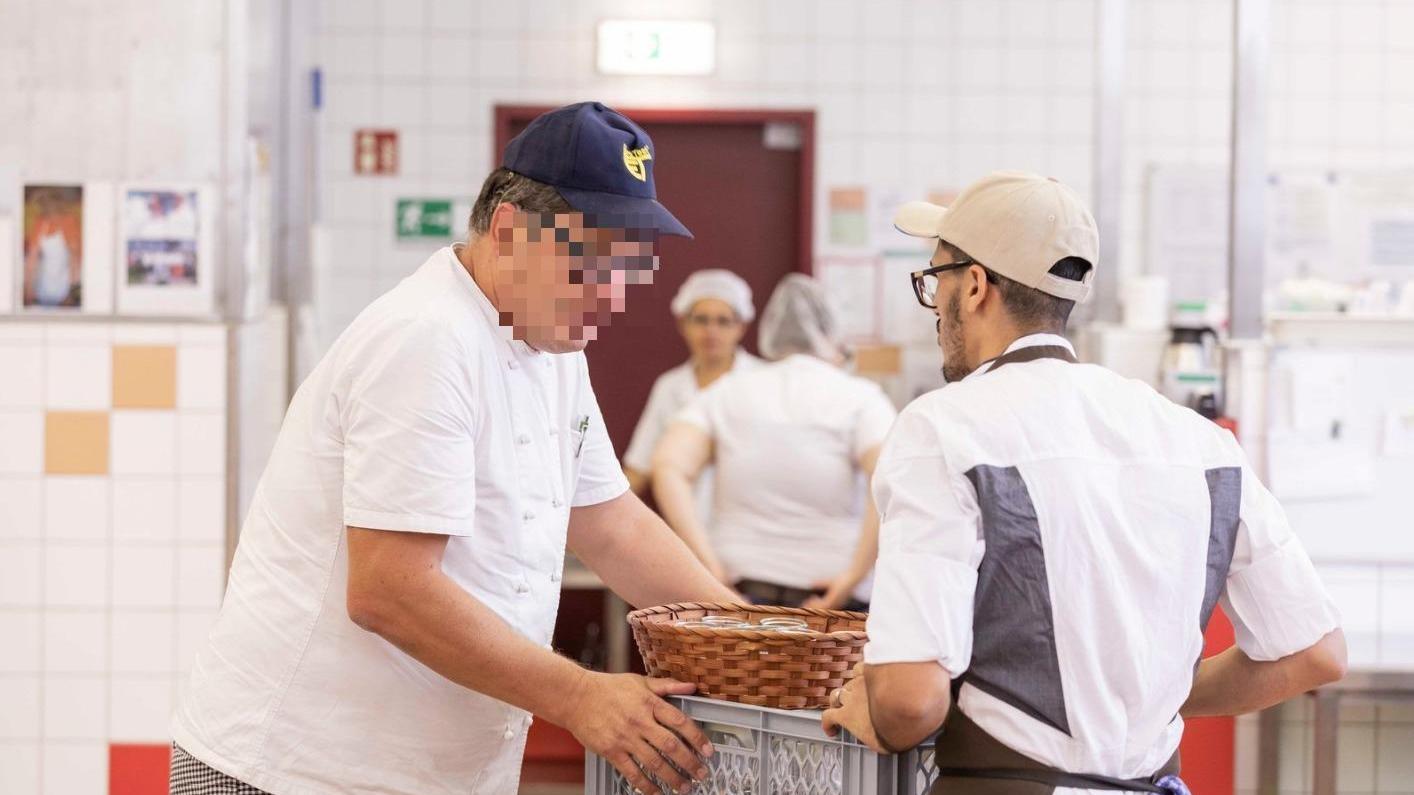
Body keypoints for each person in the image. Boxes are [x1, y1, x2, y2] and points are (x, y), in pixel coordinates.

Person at [170, 102, 737, 795]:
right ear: (508, 231)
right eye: (592, 261)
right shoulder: (428, 337)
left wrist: (751, 638)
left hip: (427, 772)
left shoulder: (552, 344)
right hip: (293, 768)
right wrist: (581, 695)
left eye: (628, 266)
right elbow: (390, 589)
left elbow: (612, 525)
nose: (614, 295)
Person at [821, 171, 1346, 793]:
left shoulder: (945, 427)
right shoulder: (1199, 442)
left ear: (976, 286)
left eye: (936, 280)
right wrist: (1144, 698)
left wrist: (875, 715)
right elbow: (1314, 652)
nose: (934, 305)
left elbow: (912, 701)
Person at [652, 274, 898, 608]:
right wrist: (854, 576)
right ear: (832, 336)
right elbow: (890, 476)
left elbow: (667, 466)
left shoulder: (725, 393)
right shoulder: (861, 398)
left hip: (740, 594)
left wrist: (709, 567)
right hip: (834, 599)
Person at [622, 268, 761, 513]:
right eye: (701, 320)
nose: (711, 331)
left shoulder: (762, 381)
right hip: (686, 532)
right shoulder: (669, 387)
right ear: (683, 324)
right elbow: (640, 467)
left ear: (741, 327)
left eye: (723, 321)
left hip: (750, 531)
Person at [23, 188, 82, 307]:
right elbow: (32, 258)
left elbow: (74, 259)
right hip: (42, 285)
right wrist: (28, 288)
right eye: (41, 205)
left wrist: (72, 292)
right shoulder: (40, 222)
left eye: (45, 204)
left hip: (65, 286)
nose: (44, 209)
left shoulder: (69, 221)